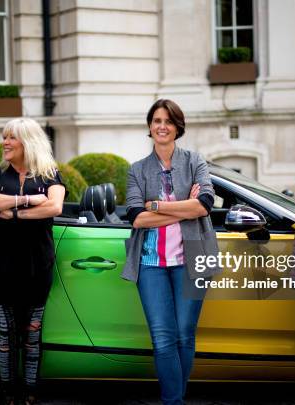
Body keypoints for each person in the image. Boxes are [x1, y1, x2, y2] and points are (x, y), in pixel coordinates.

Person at [123, 99, 221, 405]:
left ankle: (175, 398)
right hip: (150, 263)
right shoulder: (137, 170)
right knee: (163, 338)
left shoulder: (195, 161)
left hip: (190, 261)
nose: (161, 126)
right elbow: (137, 217)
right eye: (156, 121)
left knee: (183, 335)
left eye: (168, 121)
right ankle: (173, 402)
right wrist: (185, 209)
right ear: (150, 127)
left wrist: (158, 206)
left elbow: (205, 204)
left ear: (178, 127)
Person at [0, 118, 65, 405]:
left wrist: (14, 212)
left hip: (37, 264)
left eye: (11, 138)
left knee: (32, 332)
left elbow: (54, 206)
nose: (4, 142)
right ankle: (7, 394)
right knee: (6, 334)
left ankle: (30, 393)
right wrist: (29, 201)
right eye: (4, 137)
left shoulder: (50, 174)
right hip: (2, 264)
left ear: (27, 141)